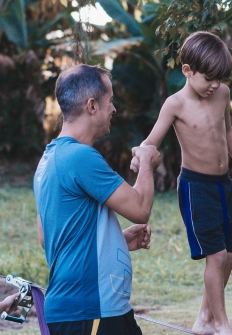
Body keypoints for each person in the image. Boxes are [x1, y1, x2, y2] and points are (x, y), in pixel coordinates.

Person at [130, 31, 232, 335]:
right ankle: (220, 324)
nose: (214, 85)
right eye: (208, 78)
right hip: (196, 188)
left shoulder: (222, 94)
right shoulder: (174, 104)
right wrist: (139, 155)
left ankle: (205, 318)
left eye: (219, 78)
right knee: (215, 256)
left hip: (224, 183)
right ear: (187, 71)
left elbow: (228, 132)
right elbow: (151, 141)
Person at [33, 64, 161, 335]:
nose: (113, 109)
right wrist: (148, 160)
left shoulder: (48, 160)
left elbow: (51, 239)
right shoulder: (80, 157)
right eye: (110, 101)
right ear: (92, 105)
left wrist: (117, 240)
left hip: (96, 311)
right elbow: (140, 208)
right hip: (89, 311)